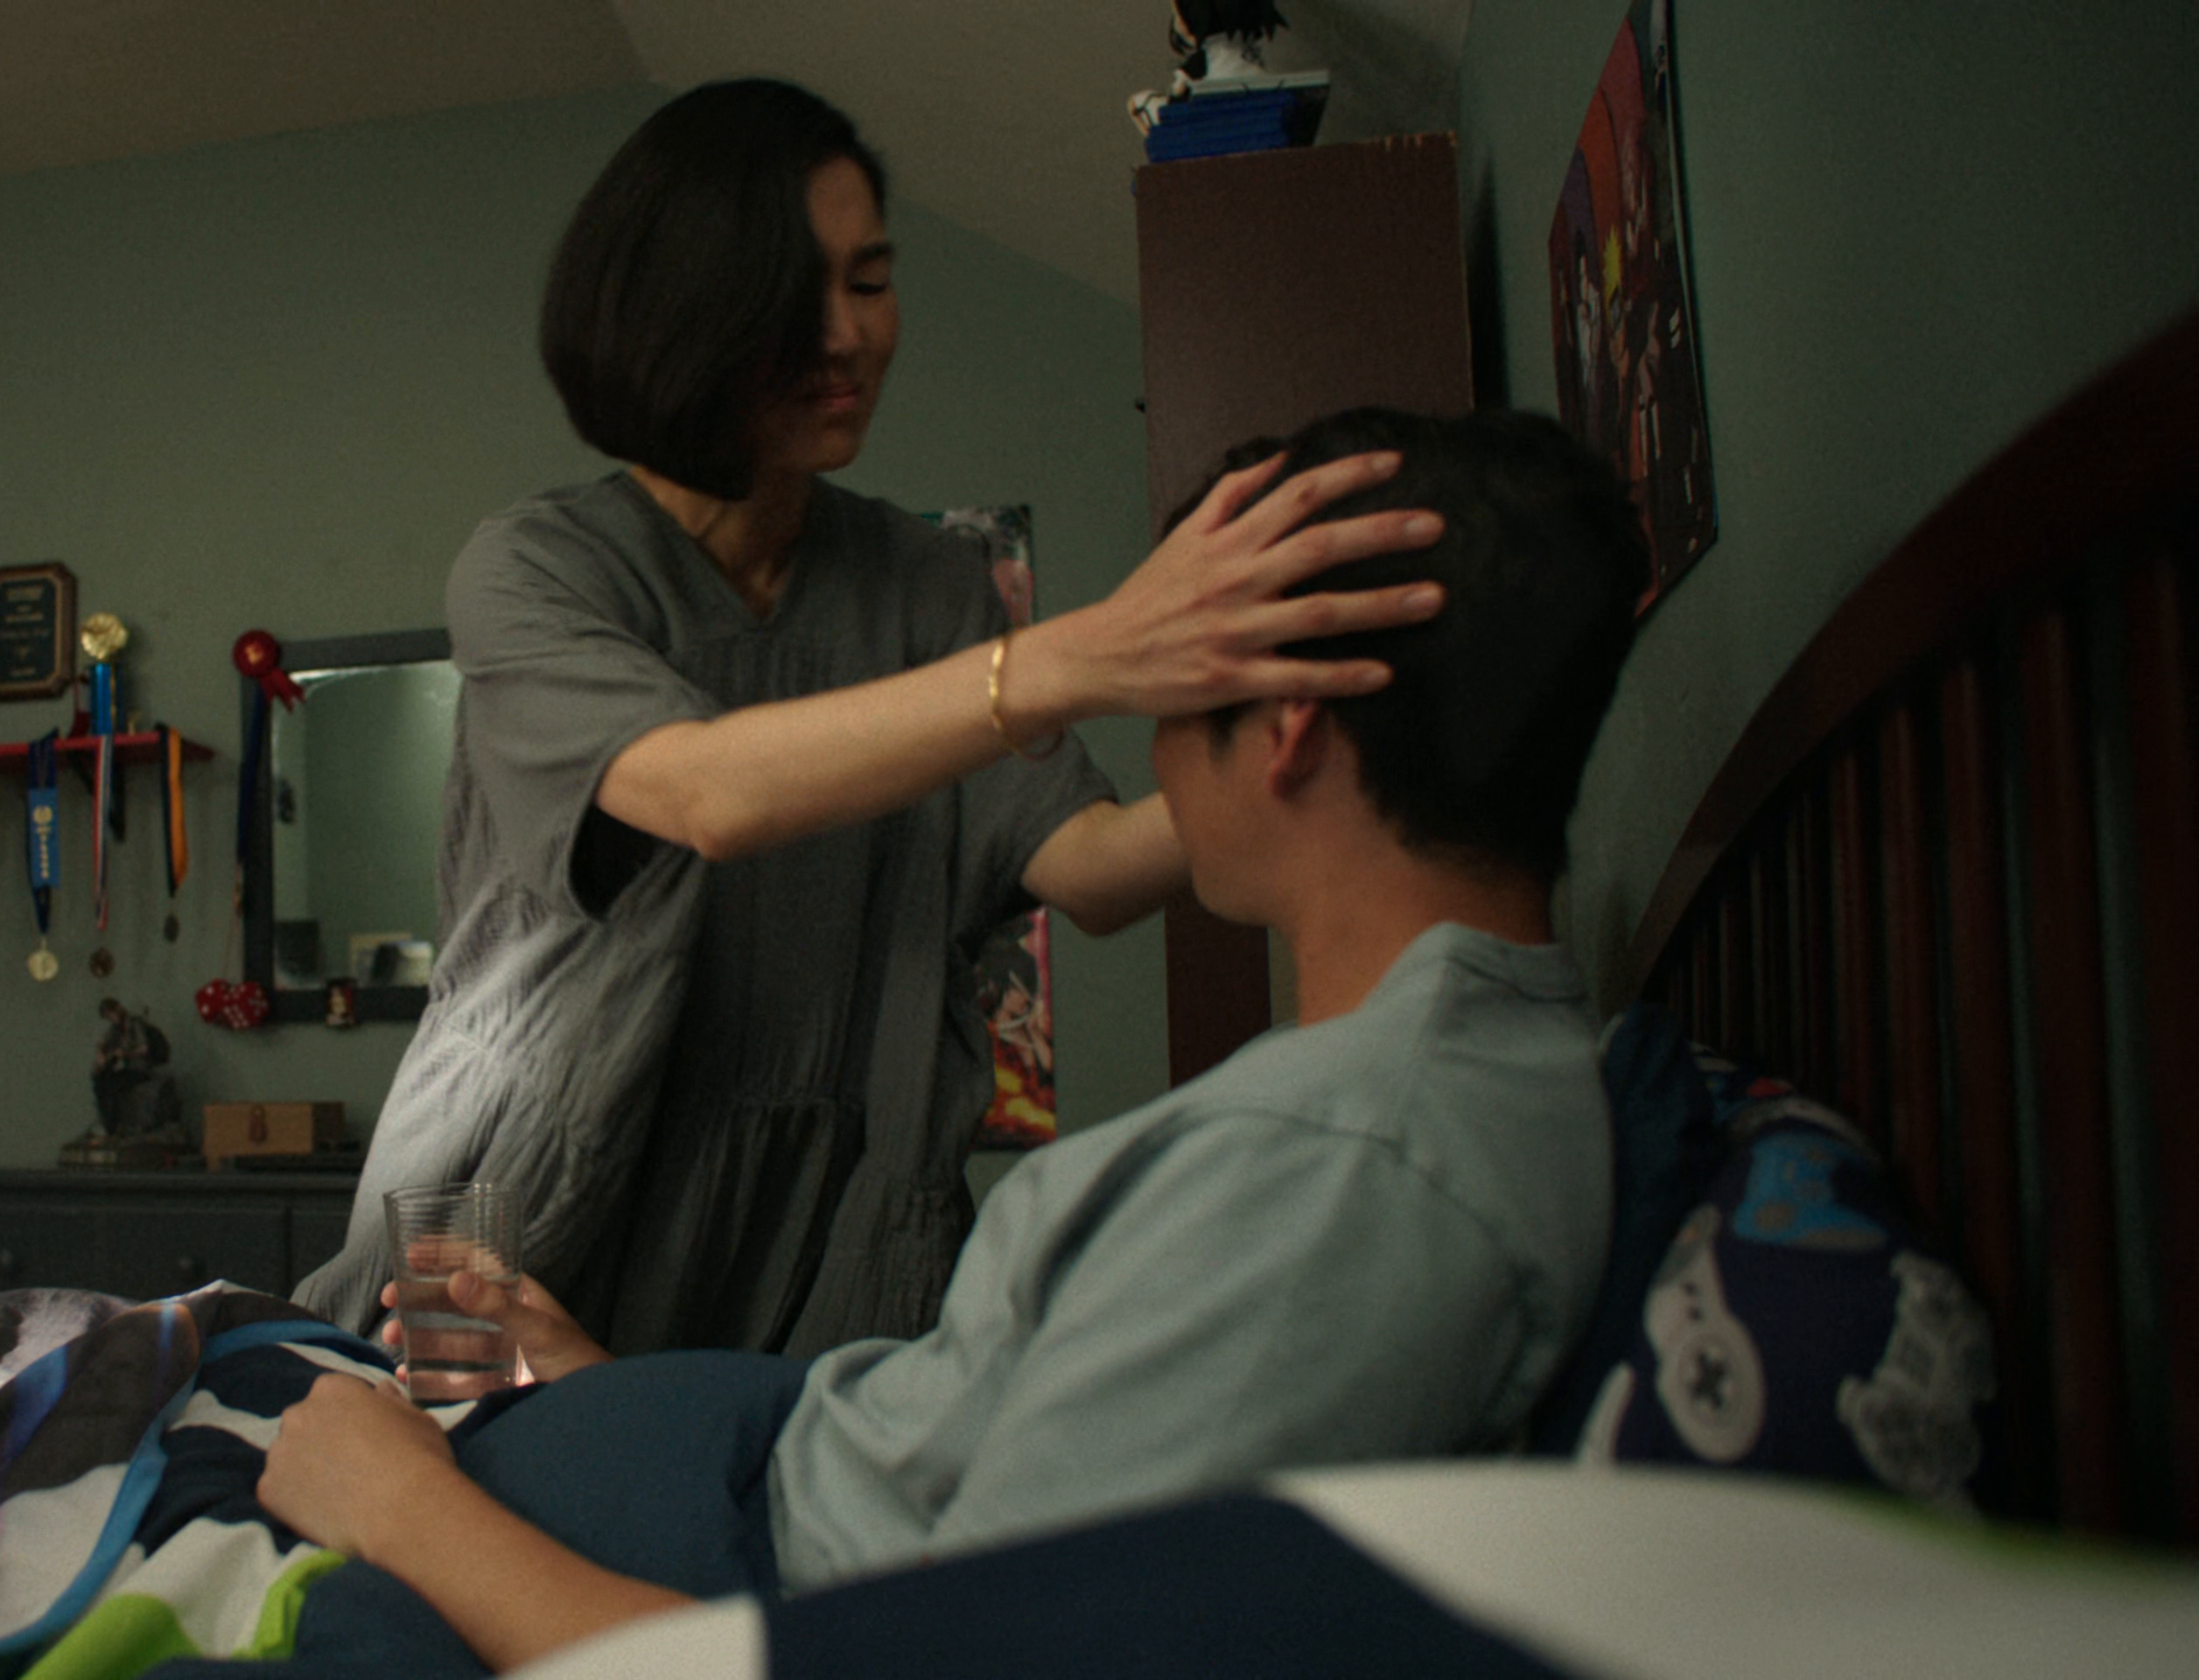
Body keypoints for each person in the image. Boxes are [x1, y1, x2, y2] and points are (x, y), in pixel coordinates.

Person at [225, 405, 1650, 1678]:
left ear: (1283, 732)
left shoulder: (1334, 1176)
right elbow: (933, 1446)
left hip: (570, 1549)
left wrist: (404, 1512)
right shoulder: (1442, 1080)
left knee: (185, 1435)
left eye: (1171, 690)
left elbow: (920, 1641)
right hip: (640, 1387)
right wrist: (607, 1389)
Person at [291, 78, 1449, 1359]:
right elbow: (706, 795)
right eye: (799, 295)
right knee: (428, 1474)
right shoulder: (534, 572)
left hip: (819, 1229)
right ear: (683, 310)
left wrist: (1339, 710)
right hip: (517, 1207)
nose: (848, 336)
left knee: (769, 1476)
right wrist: (1092, 653)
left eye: (873, 280)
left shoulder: (926, 587)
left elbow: (1097, 870)